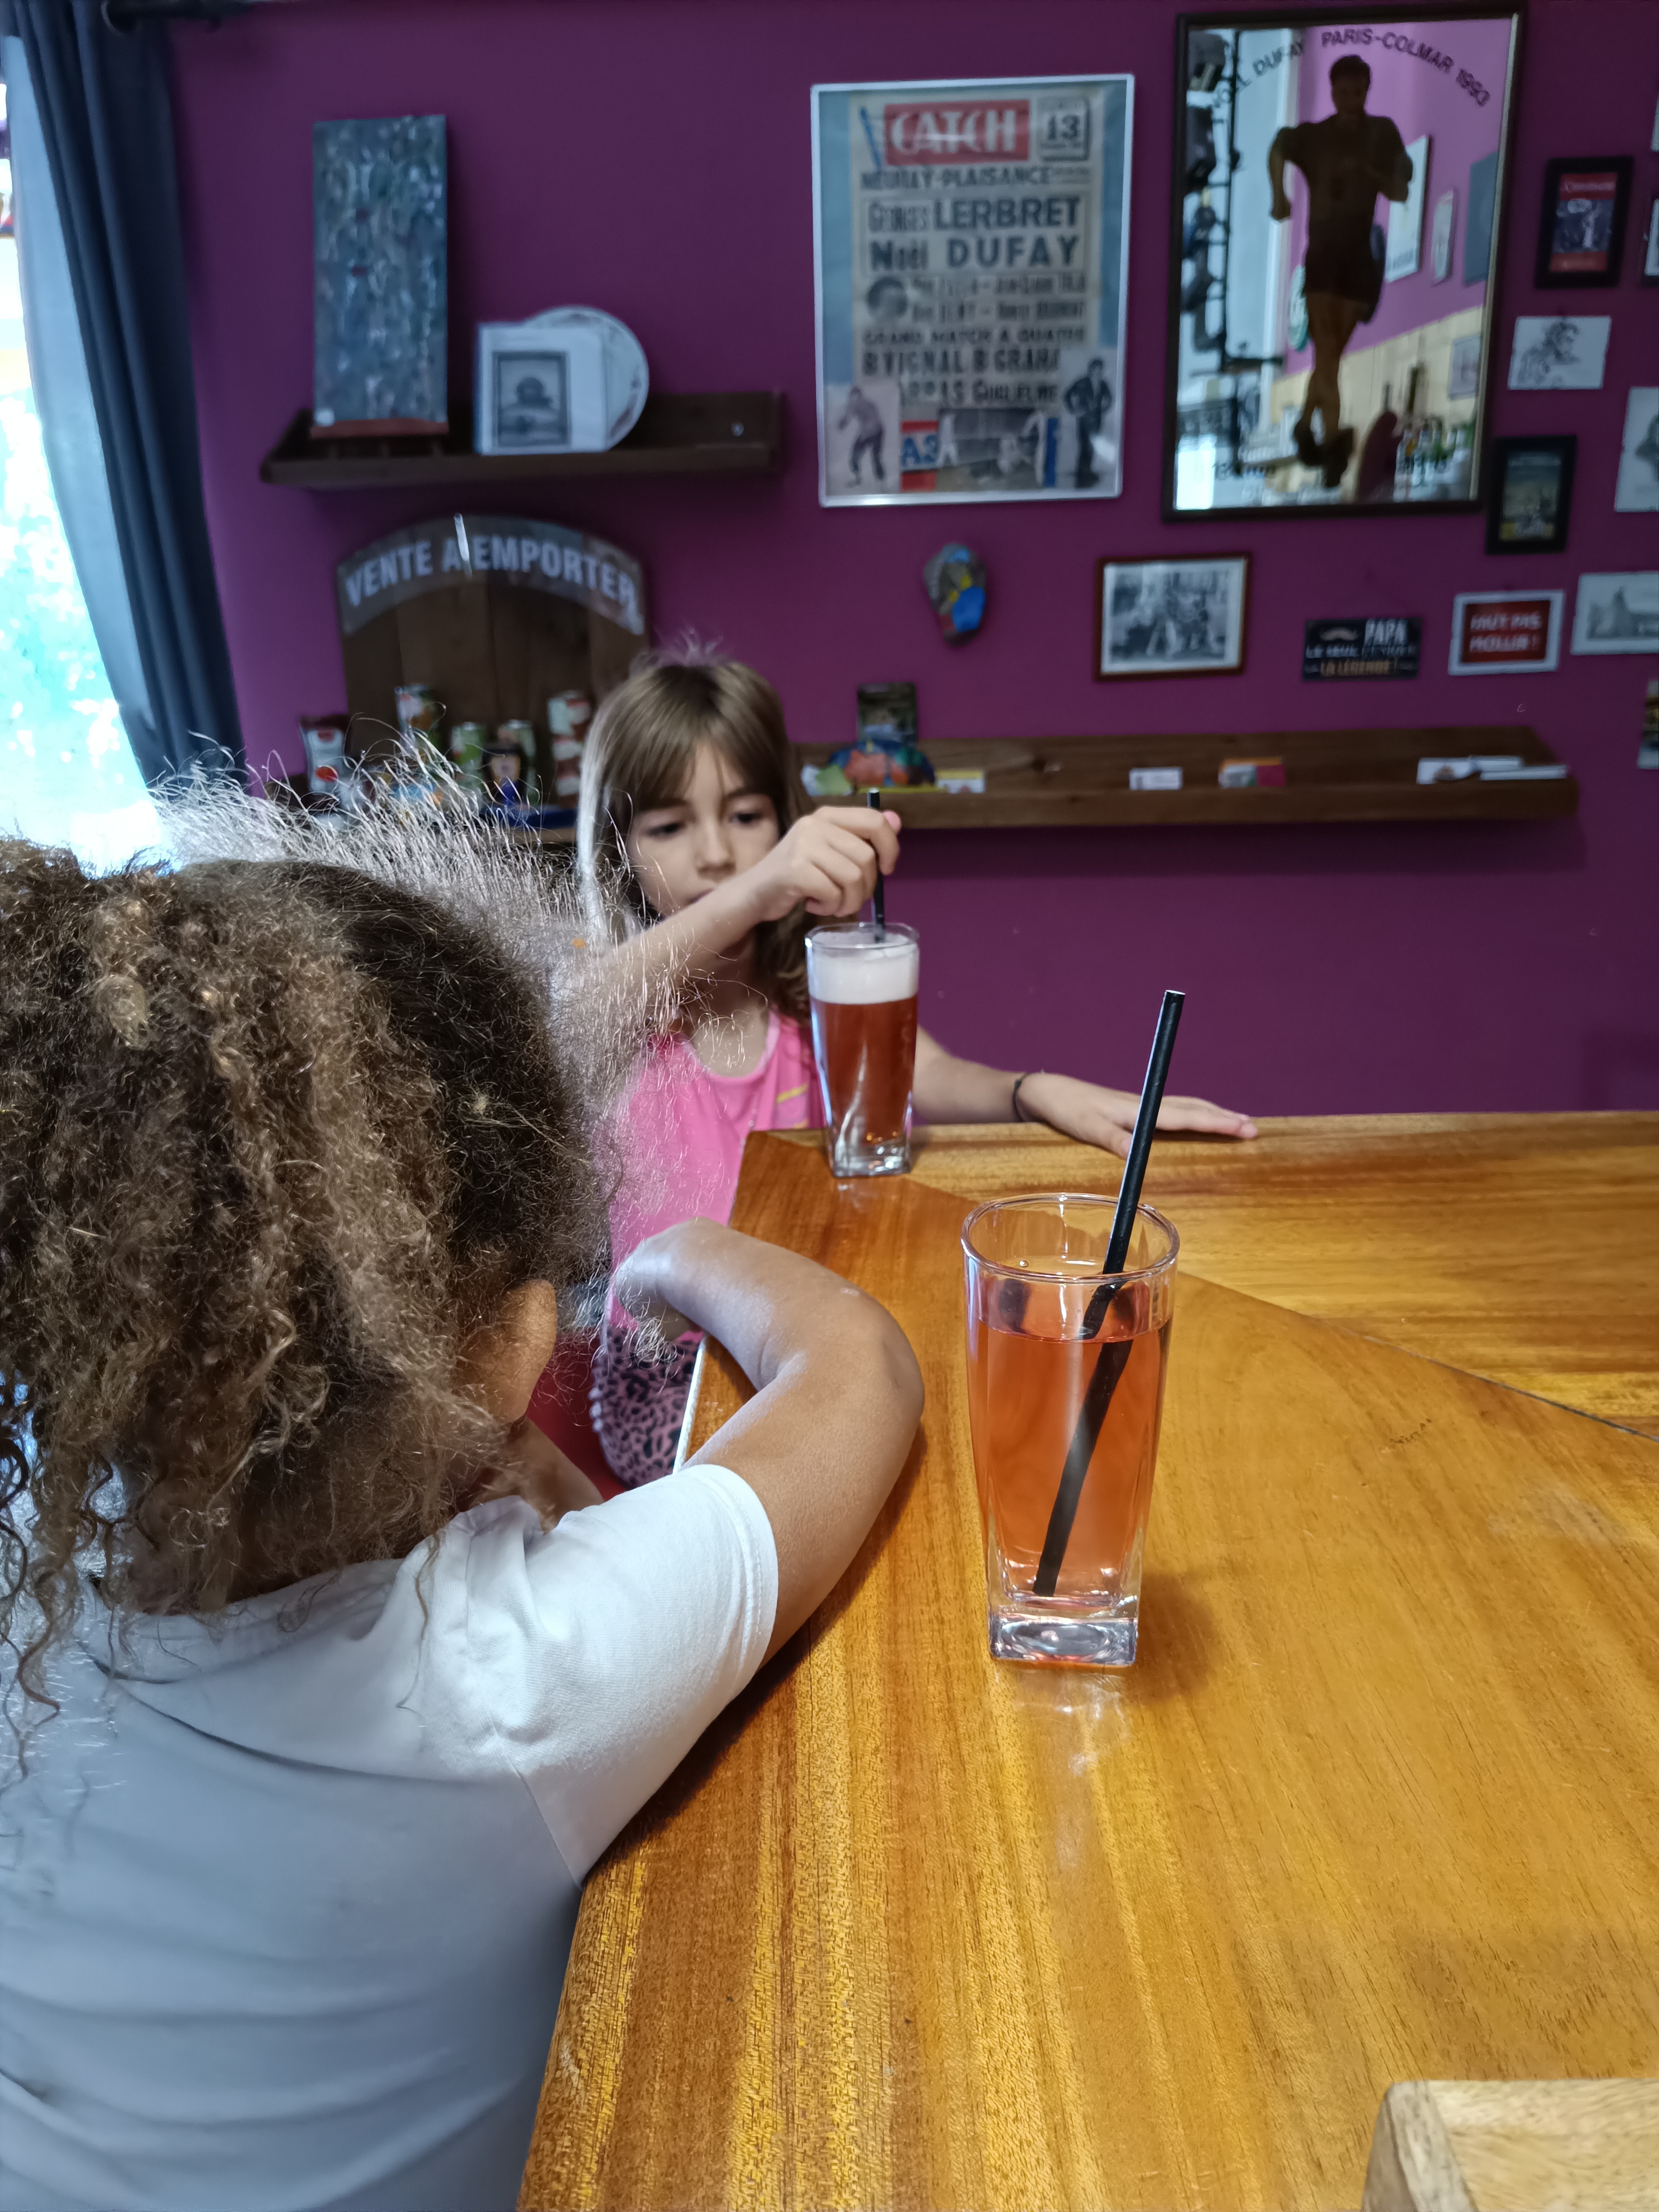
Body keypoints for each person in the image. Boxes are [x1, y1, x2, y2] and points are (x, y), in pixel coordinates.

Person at [0, 801, 922, 2212]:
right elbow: (860, 1368)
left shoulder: (32, 1555)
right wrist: (669, 1250)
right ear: (509, 1344)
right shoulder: (500, 1691)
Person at [574, 653, 1257, 1488]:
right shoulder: (619, 1012)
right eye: (669, 827)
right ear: (617, 847)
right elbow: (574, 1016)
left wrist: (1031, 1091)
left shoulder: (810, 991)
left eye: (746, 816)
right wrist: (759, 888)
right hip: (666, 1376)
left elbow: (927, 1075)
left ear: (783, 817)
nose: (716, 854)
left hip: (808, 1343)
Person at [1269, 57, 1412, 489]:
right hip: (1323, 254)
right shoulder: (1315, 137)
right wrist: (1279, 197)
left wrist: (1368, 172)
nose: (1351, 99)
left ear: (1367, 90)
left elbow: (1400, 190)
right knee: (1328, 351)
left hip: (1358, 257)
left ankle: (1308, 425)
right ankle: (1332, 442)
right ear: (1332, 91)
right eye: (1344, 91)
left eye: (1358, 91)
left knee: (1329, 358)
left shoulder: (1382, 133)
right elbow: (1279, 146)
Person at [1063, 356, 1112, 488]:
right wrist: (1074, 410)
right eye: (1096, 369)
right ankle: (1082, 474)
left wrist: (1104, 409)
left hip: (1097, 420)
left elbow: (1110, 399)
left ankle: (1087, 472)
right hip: (1084, 420)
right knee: (1084, 446)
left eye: (1100, 370)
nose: (1098, 372)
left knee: (1092, 447)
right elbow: (1067, 395)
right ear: (1090, 369)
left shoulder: (1103, 384)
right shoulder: (1082, 382)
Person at [837, 383, 886, 483]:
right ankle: (857, 477)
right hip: (866, 433)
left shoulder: (868, 405)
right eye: (853, 398)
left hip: (877, 432)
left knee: (876, 457)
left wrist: (866, 434)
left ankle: (882, 481)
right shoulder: (852, 405)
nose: (854, 400)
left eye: (856, 398)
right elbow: (848, 416)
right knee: (854, 456)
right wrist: (843, 423)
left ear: (860, 397)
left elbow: (875, 420)